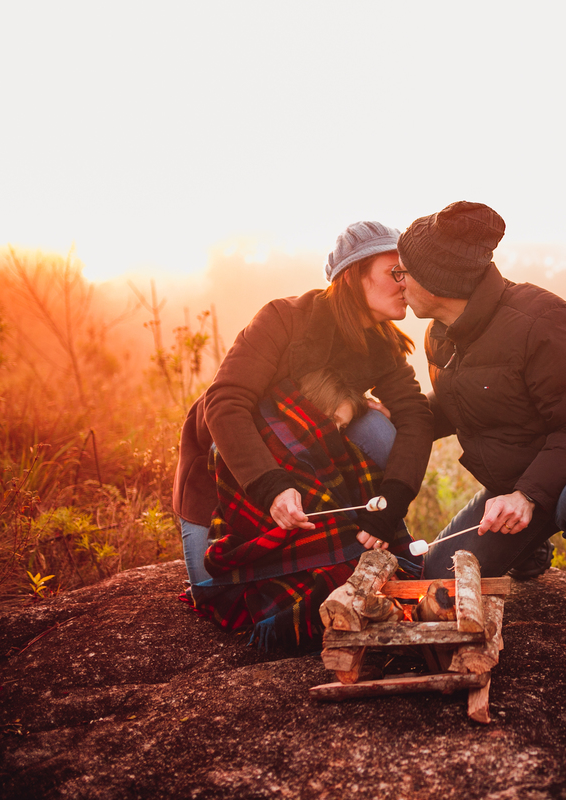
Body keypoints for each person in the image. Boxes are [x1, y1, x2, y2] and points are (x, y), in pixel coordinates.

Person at [172, 221, 434, 646]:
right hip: (228, 478)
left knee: (379, 429)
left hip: (312, 471)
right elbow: (225, 402)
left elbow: (416, 417)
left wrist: (391, 502)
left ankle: (344, 546)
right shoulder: (283, 318)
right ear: (353, 275)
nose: (407, 284)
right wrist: (272, 488)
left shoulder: (381, 344)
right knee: (219, 594)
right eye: (395, 272)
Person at [395, 201, 566, 632]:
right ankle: (530, 542)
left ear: (436, 283)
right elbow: (458, 402)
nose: (398, 282)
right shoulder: (441, 333)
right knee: (440, 578)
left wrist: (527, 495)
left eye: (403, 273)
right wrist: (393, 416)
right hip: (520, 480)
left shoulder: (543, 322)